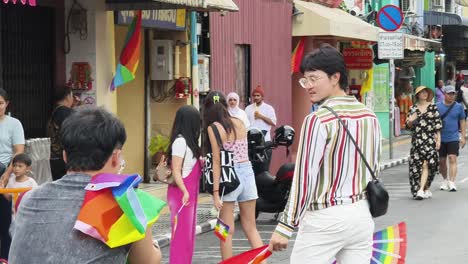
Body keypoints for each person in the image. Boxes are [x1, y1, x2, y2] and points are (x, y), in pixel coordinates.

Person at [269, 44, 381, 263]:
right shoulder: (369, 117)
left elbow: (304, 178)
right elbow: (373, 170)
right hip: (361, 215)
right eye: (305, 80)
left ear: (334, 78)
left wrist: (285, 225)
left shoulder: (318, 120)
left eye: (314, 78)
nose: (308, 86)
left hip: (324, 218)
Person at [8, 106, 161, 263]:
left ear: (65, 156)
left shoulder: (28, 199)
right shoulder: (126, 200)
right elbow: (146, 261)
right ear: (116, 157)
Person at [204, 91, 263, 261]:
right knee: (251, 227)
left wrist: (215, 193)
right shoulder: (239, 122)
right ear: (225, 104)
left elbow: (217, 160)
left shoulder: (213, 127)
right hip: (247, 173)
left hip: (228, 177)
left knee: (225, 230)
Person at [162, 105, 202, 264]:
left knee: (187, 236)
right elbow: (176, 171)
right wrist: (185, 191)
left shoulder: (189, 142)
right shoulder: (180, 142)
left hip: (188, 195)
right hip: (181, 195)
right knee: (180, 236)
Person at [0, 88, 25, 261]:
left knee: (5, 218)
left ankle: (5, 257)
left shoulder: (14, 123)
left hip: (5, 170)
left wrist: (7, 173)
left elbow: (18, 151)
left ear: (7, 104)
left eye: (0, 103)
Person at [405, 86, 442, 200]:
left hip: (430, 139)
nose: (424, 94)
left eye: (426, 92)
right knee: (418, 166)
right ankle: (422, 189)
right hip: (417, 140)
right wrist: (411, 120)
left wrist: (438, 140)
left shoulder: (432, 107)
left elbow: (437, 125)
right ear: (417, 95)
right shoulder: (413, 108)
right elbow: (408, 126)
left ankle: (422, 188)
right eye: (422, 92)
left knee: (430, 163)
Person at [437, 85, 466, 192]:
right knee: (442, 161)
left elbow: (462, 121)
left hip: (453, 137)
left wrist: (463, 137)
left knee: (452, 158)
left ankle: (452, 182)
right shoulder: (437, 106)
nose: (451, 96)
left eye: (453, 94)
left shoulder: (458, 107)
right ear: (444, 94)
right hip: (440, 138)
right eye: (449, 94)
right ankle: (445, 180)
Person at [47, 86, 75, 181]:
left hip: (54, 157)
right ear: (68, 96)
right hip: (64, 159)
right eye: (72, 95)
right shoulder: (65, 112)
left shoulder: (55, 110)